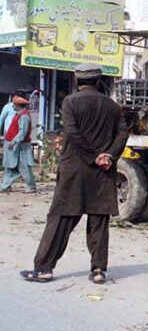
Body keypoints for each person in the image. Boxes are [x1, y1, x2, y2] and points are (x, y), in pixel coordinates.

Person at [20, 63, 128, 284]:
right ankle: (98, 271)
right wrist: (107, 156)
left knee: (60, 219)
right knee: (99, 221)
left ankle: (43, 269)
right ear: (99, 82)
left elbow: (73, 134)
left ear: (78, 81)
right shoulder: (113, 106)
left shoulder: (70, 102)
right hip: (103, 173)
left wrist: (93, 156)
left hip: (75, 171)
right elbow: (122, 134)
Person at [1, 96, 36, 193]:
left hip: (20, 145)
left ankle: (31, 186)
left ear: (17, 105)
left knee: (24, 165)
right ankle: (5, 186)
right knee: (10, 165)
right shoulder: (19, 114)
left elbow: (22, 132)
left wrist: (14, 141)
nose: (12, 106)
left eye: (13, 104)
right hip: (13, 144)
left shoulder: (24, 116)